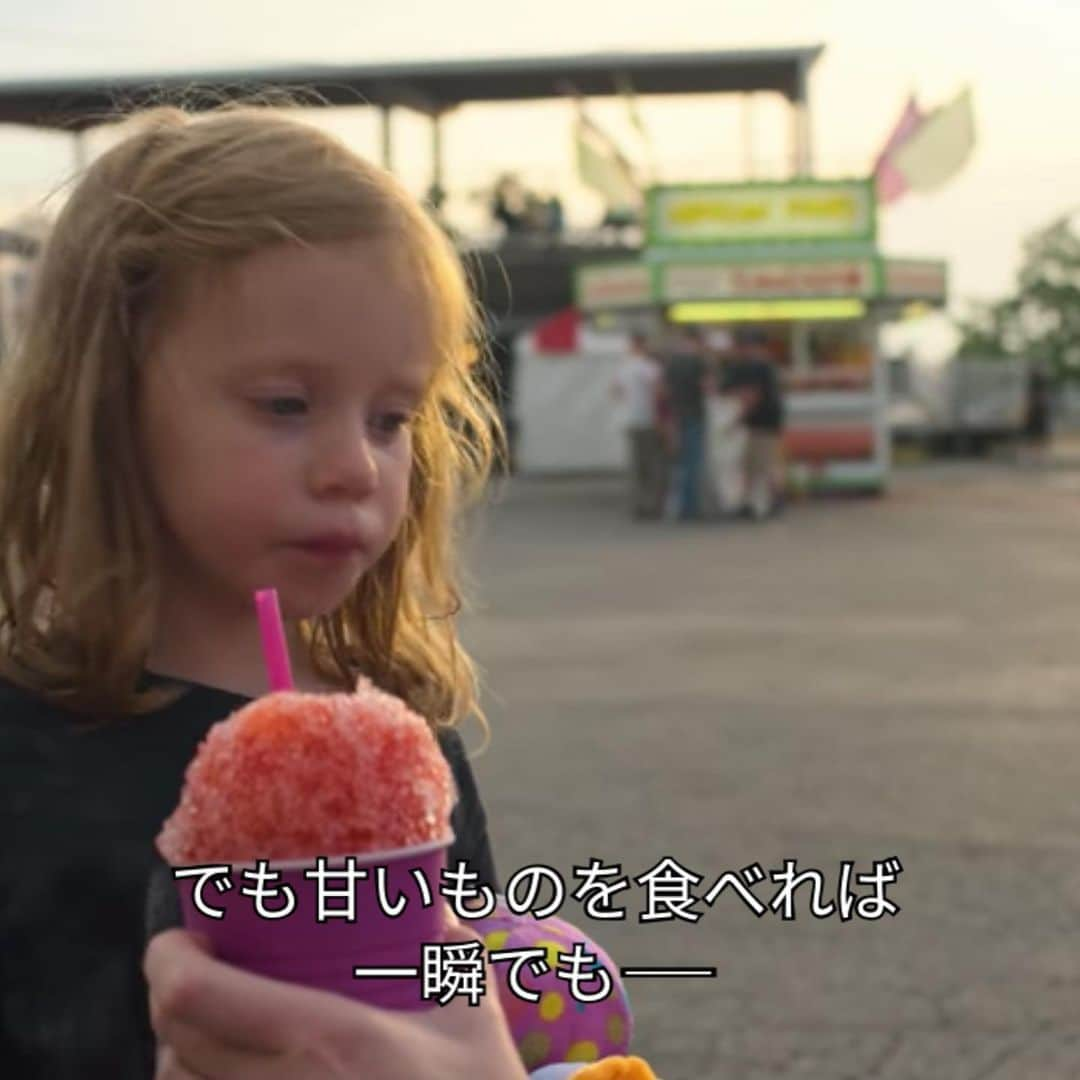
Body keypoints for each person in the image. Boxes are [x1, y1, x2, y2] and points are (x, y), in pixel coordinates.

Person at [0, 104, 507, 1079]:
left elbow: (454, 995)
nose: (355, 467)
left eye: (393, 416)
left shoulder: (405, 745)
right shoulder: (25, 748)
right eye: (286, 404)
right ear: (107, 405)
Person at [720, 329, 786, 520]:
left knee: (763, 464)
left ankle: (772, 501)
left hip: (762, 423)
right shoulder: (768, 365)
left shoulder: (757, 366)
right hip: (767, 422)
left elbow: (752, 396)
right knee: (753, 465)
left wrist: (736, 421)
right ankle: (751, 502)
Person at [610, 331, 667, 519]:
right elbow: (658, 394)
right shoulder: (650, 367)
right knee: (653, 465)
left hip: (630, 421)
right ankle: (653, 505)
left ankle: (638, 505)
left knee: (636, 467)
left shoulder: (623, 367)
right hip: (649, 420)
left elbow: (615, 391)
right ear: (644, 345)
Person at [662, 324, 709, 521]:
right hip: (694, 415)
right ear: (697, 340)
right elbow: (708, 387)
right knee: (693, 463)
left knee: (680, 463)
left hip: (676, 415)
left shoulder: (672, 363)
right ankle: (691, 508)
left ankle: (680, 507)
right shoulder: (698, 362)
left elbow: (663, 391)